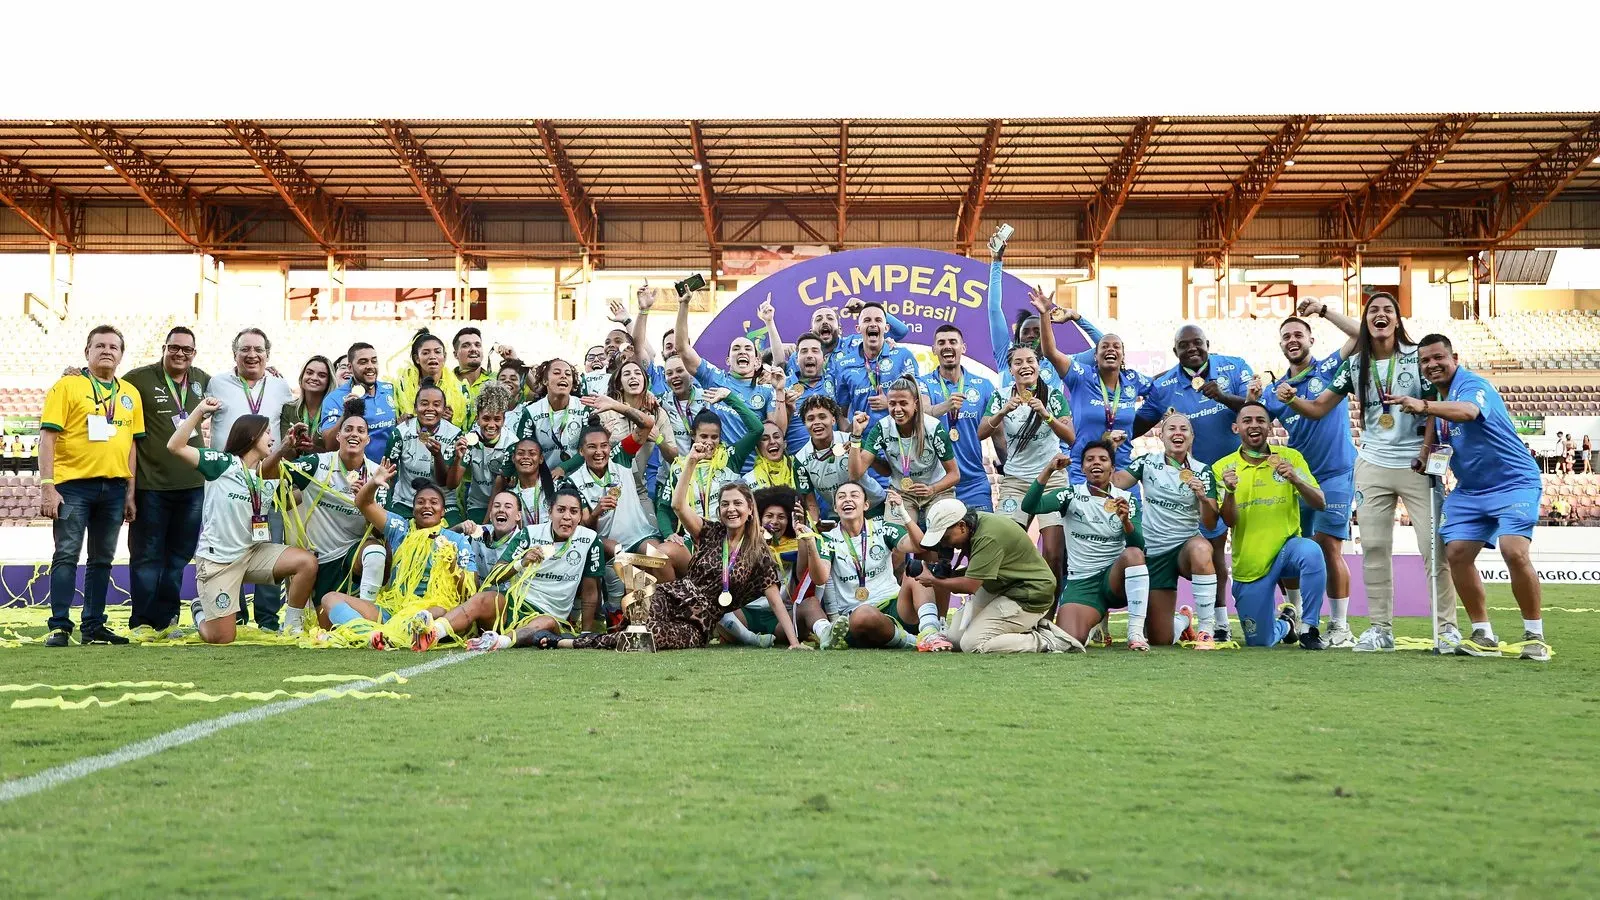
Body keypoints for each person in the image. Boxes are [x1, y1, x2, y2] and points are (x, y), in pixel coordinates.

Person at [1284, 295, 1459, 652]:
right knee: (1375, 549)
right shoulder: (1354, 365)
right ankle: (1380, 630)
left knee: (1433, 549)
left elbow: (1433, 408)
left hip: (1416, 465)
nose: (1380, 315)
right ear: (1366, 321)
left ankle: (1447, 629)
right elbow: (1317, 408)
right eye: (1373, 311)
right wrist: (1291, 400)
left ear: (1397, 319)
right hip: (1372, 464)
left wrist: (1426, 450)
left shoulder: (1417, 357)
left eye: (1387, 310)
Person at [1402, 334, 1550, 661]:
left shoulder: (1472, 385)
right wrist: (1425, 455)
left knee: (1513, 550)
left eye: (1438, 357)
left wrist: (1423, 405)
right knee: (1456, 553)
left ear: (1454, 358)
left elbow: (1469, 412)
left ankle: (1534, 636)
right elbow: (1441, 428)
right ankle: (1483, 634)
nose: (1432, 365)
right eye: (1425, 360)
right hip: (1470, 490)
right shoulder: (1439, 399)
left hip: (1514, 482)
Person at [550, 479, 805, 651]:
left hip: (698, 622)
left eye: (737, 503)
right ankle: (576, 642)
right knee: (640, 622)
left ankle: (569, 643)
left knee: (645, 638)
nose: (731, 509)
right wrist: (691, 461)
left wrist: (794, 642)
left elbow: (775, 601)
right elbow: (677, 505)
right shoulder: (711, 532)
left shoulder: (760, 555)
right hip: (671, 595)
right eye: (725, 504)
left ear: (750, 509)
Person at [166, 399, 318, 644]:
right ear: (251, 435)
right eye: (267, 433)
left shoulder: (269, 475)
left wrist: (327, 491)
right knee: (222, 638)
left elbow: (287, 499)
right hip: (219, 561)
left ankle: (292, 625)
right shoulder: (222, 463)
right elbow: (175, 446)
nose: (272, 438)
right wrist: (200, 411)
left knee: (306, 562)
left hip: (252, 554)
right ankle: (200, 612)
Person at [38, 325, 144, 646]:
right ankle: (59, 626)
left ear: (121, 355)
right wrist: (47, 486)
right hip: (72, 487)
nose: (107, 351)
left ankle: (93, 626)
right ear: (87, 352)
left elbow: (131, 446)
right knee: (66, 554)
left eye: (113, 346)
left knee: (102, 560)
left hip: (113, 489)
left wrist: (130, 492)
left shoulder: (130, 394)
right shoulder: (67, 386)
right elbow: (47, 438)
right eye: (100, 346)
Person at [1258, 315, 1357, 648]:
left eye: (1298, 334)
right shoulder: (1274, 392)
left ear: (1311, 340)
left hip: (1336, 472)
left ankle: (1340, 626)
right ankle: (1298, 618)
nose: (1292, 340)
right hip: (1297, 478)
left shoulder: (1328, 368)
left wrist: (1323, 310)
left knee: (1328, 547)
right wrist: (1251, 397)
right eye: (1286, 336)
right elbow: (1254, 423)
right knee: (1292, 548)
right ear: (1280, 344)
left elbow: (1361, 335)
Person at [320, 463, 480, 651]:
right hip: (394, 608)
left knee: (432, 613)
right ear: (413, 509)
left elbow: (471, 590)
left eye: (434, 502)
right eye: (420, 502)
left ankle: (392, 634)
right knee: (330, 599)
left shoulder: (457, 541)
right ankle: (371, 636)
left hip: (434, 610)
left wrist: (452, 566)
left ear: (443, 511)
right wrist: (373, 483)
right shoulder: (400, 528)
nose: (427, 506)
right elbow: (364, 503)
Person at [1212, 403, 1328, 649]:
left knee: (1311, 551)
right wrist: (1230, 491)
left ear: (1270, 426)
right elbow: (1229, 521)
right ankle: (1287, 623)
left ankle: (1309, 627)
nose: (1254, 425)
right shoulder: (1222, 468)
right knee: (1260, 641)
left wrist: (1296, 479)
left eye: (1260, 420)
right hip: (1251, 566)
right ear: (1236, 428)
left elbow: (1320, 502)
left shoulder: (1290, 458)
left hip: (1288, 551)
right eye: (1247, 421)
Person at [122, 326, 209, 634]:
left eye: (187, 349)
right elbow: (106, 386)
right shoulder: (138, 379)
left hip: (193, 487)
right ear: (164, 348)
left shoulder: (203, 380)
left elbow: (239, 384)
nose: (180, 353)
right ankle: (142, 621)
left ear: (194, 353)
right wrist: (78, 374)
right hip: (151, 487)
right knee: (146, 557)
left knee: (177, 559)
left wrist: (269, 374)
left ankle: (168, 619)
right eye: (174, 347)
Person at [914, 496, 1080, 653]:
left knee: (972, 644)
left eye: (945, 537)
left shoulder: (988, 536)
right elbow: (981, 570)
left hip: (1029, 594)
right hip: (1001, 586)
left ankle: (1047, 640)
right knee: (955, 640)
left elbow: (970, 585)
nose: (943, 544)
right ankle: (1025, 627)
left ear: (962, 526)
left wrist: (934, 580)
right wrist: (943, 573)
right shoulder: (974, 524)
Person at [452, 488, 607, 651]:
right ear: (550, 512)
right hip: (514, 606)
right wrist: (522, 562)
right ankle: (437, 630)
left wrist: (586, 633)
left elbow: (590, 590)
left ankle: (499, 642)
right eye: (561, 510)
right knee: (484, 598)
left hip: (548, 616)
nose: (567, 516)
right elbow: (495, 576)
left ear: (580, 516)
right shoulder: (530, 534)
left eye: (573, 512)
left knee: (545, 622)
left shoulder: (590, 540)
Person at [1022, 444, 1147, 646]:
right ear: (1082, 468)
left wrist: (1126, 522)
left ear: (1112, 468)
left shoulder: (1127, 500)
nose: (1096, 462)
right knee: (1069, 641)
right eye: (1090, 459)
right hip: (1082, 582)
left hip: (1115, 581)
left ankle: (1136, 633)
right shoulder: (1070, 495)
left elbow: (1138, 545)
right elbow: (1030, 506)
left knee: (1133, 554)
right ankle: (1092, 624)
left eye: (1103, 459)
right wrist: (1049, 470)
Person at [1116, 414, 1221, 648]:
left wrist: (1203, 498)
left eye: (1184, 429)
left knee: (1202, 548)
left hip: (1185, 548)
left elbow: (1211, 523)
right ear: (1161, 436)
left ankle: (1206, 630)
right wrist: (1111, 450)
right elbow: (1117, 482)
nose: (1178, 433)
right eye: (1171, 428)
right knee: (1160, 639)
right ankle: (1183, 620)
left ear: (1191, 437)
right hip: (1155, 552)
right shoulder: (1147, 462)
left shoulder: (1202, 471)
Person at [799, 483, 946, 651]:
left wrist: (903, 514)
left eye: (854, 495)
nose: (847, 499)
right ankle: (910, 641)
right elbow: (820, 578)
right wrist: (811, 544)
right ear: (835, 508)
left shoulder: (882, 528)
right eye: (841, 497)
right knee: (864, 614)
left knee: (916, 570)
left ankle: (930, 632)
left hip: (896, 606)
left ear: (866, 505)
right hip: (858, 616)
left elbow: (919, 546)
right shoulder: (827, 539)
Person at [280, 397, 389, 615]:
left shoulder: (377, 474)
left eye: (360, 431)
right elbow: (274, 473)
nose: (354, 434)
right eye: (348, 429)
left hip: (355, 555)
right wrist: (286, 449)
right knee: (329, 621)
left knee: (376, 551)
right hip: (321, 558)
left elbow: (380, 531)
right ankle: (293, 621)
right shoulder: (317, 464)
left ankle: (369, 613)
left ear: (368, 439)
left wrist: (365, 501)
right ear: (338, 436)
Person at [979, 346, 1075, 586]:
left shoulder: (1053, 396)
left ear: (1038, 366)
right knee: (1005, 547)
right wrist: (1002, 412)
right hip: (1016, 481)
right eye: (1018, 362)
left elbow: (1071, 437)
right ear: (1011, 370)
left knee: (1053, 553)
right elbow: (981, 433)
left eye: (1030, 361)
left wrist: (1047, 415)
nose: (1025, 366)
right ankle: (1017, 602)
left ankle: (1049, 610)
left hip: (1052, 480)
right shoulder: (1001, 396)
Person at [562, 419, 686, 584]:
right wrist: (597, 512)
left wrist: (614, 406)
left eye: (604, 446)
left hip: (639, 535)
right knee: (629, 567)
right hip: (606, 543)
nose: (599, 452)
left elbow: (646, 425)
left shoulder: (619, 457)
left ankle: (671, 597)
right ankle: (646, 593)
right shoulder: (574, 482)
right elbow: (585, 528)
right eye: (592, 447)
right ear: (581, 451)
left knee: (657, 558)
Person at [675, 289, 777, 460]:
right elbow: (682, 348)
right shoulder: (714, 378)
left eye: (748, 348)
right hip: (718, 468)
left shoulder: (766, 392)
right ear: (728, 360)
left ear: (757, 361)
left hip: (753, 470)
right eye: (736, 349)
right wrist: (684, 304)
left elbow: (776, 431)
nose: (742, 351)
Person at [851, 378, 960, 523]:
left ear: (916, 404)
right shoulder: (882, 428)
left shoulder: (934, 428)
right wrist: (856, 435)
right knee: (897, 536)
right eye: (892, 404)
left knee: (944, 531)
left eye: (903, 403)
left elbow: (954, 474)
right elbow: (855, 474)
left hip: (937, 491)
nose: (897, 409)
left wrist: (932, 489)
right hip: (901, 493)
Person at [654, 396, 761, 537]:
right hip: (693, 537)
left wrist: (729, 397)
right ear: (693, 436)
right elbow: (664, 508)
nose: (709, 442)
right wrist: (669, 534)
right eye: (704, 436)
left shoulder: (731, 457)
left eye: (714, 437)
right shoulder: (679, 467)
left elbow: (757, 429)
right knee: (665, 549)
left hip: (728, 535)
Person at [918, 324, 997, 511]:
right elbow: (922, 414)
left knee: (982, 530)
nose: (947, 346)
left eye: (953, 342)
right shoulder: (923, 383)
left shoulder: (983, 385)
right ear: (934, 349)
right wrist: (946, 406)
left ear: (963, 348)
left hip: (975, 483)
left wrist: (1008, 468)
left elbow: (998, 433)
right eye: (941, 343)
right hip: (937, 484)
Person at [718, 486, 808, 648]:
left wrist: (801, 530)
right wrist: (757, 541)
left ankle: (822, 631)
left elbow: (802, 574)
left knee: (808, 607)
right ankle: (749, 638)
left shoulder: (794, 545)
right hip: (744, 614)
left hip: (778, 617)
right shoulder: (742, 542)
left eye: (781, 517)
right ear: (758, 517)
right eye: (769, 516)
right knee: (712, 602)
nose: (774, 521)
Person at [793, 395, 885, 521]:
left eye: (822, 417)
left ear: (833, 420)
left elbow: (885, 471)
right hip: (841, 514)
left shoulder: (851, 439)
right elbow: (811, 503)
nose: (816, 422)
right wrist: (814, 527)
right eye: (810, 419)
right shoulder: (800, 459)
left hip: (874, 507)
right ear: (805, 423)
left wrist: (862, 453)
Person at [598, 359, 674, 511]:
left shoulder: (657, 413)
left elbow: (673, 457)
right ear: (620, 384)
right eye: (627, 374)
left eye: (637, 373)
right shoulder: (606, 411)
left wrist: (659, 439)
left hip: (639, 490)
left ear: (645, 382)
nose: (633, 376)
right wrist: (603, 438)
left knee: (651, 526)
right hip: (607, 489)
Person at [833, 302, 919, 430]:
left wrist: (890, 403)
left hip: (900, 438)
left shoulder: (903, 356)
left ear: (886, 328)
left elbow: (918, 401)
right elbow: (841, 413)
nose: (873, 324)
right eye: (867, 320)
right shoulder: (843, 365)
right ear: (858, 328)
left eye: (878, 320)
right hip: (863, 440)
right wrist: (850, 435)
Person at [385, 382, 463, 522]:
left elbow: (445, 483)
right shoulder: (400, 432)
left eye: (436, 404)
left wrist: (437, 456)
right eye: (424, 404)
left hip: (444, 503)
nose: (430, 409)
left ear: (444, 409)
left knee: (454, 533)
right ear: (415, 407)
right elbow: (388, 474)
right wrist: (385, 505)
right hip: (405, 502)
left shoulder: (454, 434)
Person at [782, 299, 913, 378]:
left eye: (830, 318)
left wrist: (866, 307)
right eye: (819, 319)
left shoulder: (854, 344)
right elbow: (781, 370)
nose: (824, 322)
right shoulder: (800, 356)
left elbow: (901, 331)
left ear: (840, 329)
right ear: (811, 332)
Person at [321, 341, 399, 462]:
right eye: (363, 362)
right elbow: (330, 445)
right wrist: (346, 415)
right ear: (350, 368)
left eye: (374, 361)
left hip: (391, 470)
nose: (370, 366)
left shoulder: (391, 390)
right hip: (356, 472)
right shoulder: (335, 398)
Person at [509, 358, 586, 479]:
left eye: (568, 374)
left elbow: (588, 448)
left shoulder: (584, 407)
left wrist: (563, 468)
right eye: (556, 373)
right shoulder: (531, 412)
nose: (563, 376)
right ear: (545, 381)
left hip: (580, 478)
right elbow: (523, 450)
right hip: (544, 477)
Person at [458, 383, 518, 524]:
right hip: (477, 503)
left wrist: (485, 524)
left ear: (504, 420)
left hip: (503, 504)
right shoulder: (470, 440)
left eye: (497, 419)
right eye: (486, 418)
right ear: (477, 418)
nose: (491, 425)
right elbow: (452, 483)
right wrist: (457, 459)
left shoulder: (512, 444)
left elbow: (499, 487)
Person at [396, 329, 469, 430]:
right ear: (417, 358)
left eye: (437, 352)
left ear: (444, 356)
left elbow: (466, 429)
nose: (432, 356)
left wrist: (449, 423)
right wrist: (402, 424)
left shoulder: (460, 390)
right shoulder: (401, 389)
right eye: (426, 353)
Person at [782, 332, 838, 453]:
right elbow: (777, 431)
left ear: (824, 359)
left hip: (833, 457)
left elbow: (842, 417)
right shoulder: (783, 386)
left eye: (815, 351)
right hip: (798, 459)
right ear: (796, 360)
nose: (809, 355)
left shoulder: (835, 381)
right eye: (804, 351)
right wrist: (787, 410)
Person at [493, 437, 556, 527]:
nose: (526, 457)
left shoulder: (556, 488)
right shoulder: (510, 495)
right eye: (520, 453)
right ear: (513, 458)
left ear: (541, 458)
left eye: (532, 453)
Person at [280, 356, 331, 447]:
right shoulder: (289, 409)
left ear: (329, 381)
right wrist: (291, 443)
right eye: (309, 373)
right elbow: (285, 451)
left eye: (322, 375)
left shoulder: (333, 411)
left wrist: (313, 448)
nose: (314, 378)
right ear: (302, 376)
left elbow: (336, 449)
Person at [450, 326, 493, 414]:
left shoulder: (496, 380)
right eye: (466, 346)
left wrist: (514, 359)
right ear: (455, 354)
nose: (473, 349)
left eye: (477, 345)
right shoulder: (446, 382)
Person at [744, 421, 797, 491]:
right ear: (757, 448)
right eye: (765, 439)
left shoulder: (798, 468)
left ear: (785, 444)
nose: (772, 442)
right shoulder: (748, 480)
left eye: (776, 437)